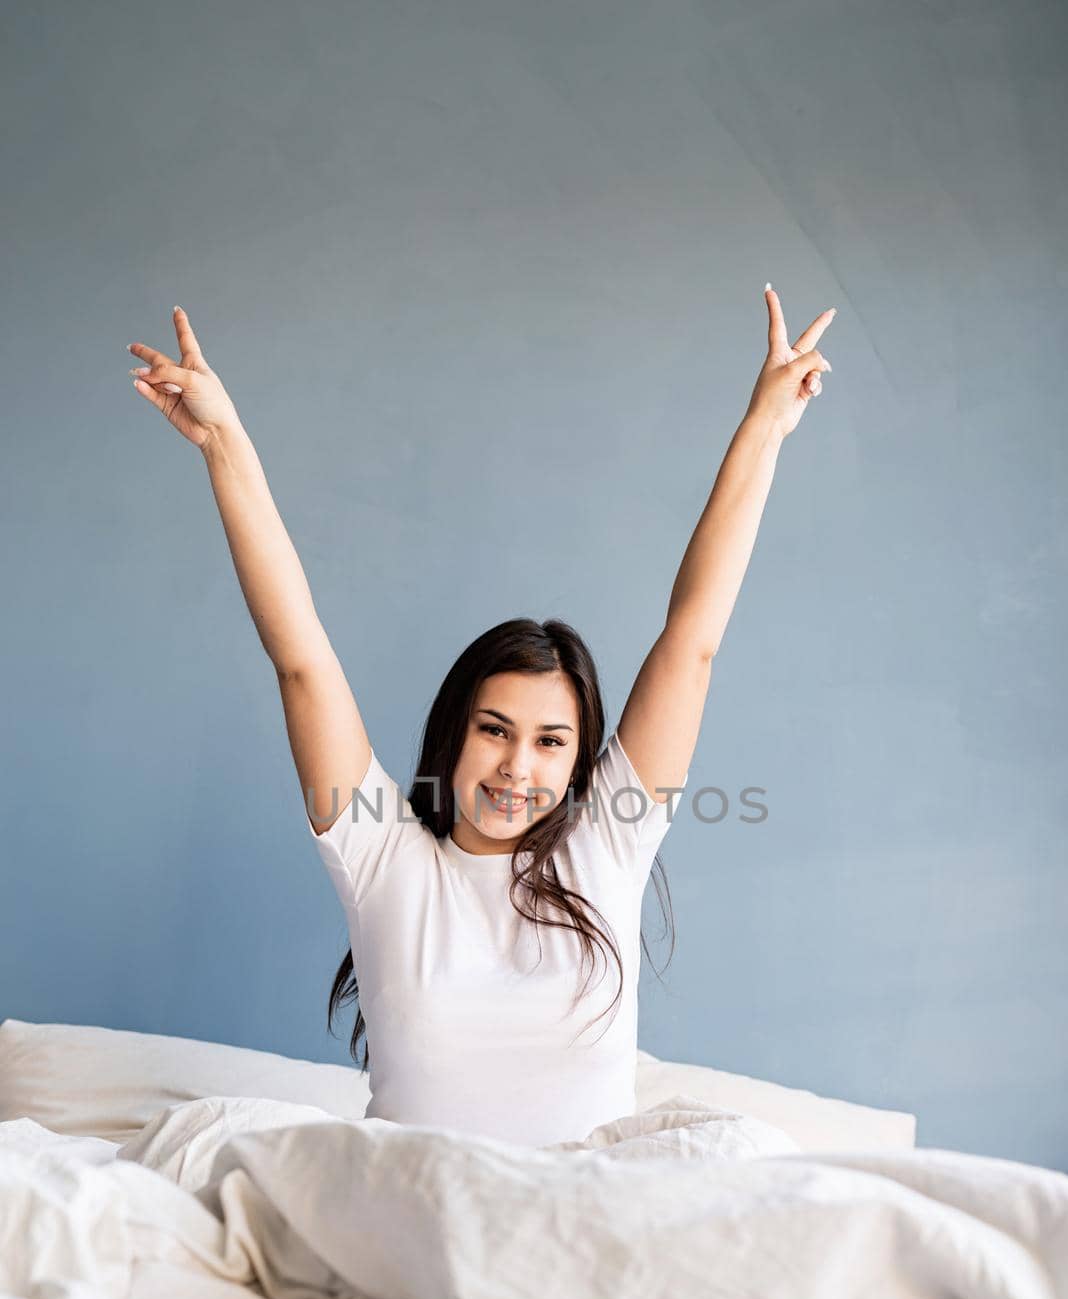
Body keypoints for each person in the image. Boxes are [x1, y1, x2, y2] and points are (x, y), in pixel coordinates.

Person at [127, 287, 834, 1145]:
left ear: (581, 765)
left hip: (585, 1216)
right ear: (455, 732)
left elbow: (691, 640)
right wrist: (223, 442)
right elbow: (302, 659)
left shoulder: (607, 844)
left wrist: (765, 425)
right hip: (419, 1212)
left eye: (550, 742)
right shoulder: (382, 855)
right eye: (494, 729)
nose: (516, 767)